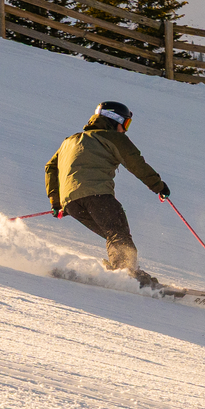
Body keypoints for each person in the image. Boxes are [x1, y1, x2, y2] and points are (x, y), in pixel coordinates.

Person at [46, 101, 171, 289]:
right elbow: (135, 162)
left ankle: (120, 270)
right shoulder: (112, 138)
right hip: (97, 196)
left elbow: (51, 168)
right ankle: (125, 276)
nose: (125, 130)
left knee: (113, 235)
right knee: (118, 235)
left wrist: (56, 203)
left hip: (72, 204)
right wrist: (158, 186)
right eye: (126, 124)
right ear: (115, 121)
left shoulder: (69, 141)